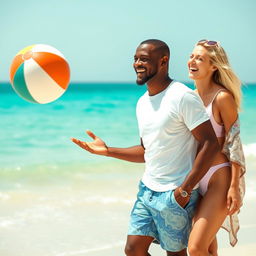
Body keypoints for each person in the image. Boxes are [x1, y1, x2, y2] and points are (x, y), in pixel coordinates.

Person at [71, 39, 220, 256]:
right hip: (147, 190)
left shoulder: (182, 96)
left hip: (175, 193)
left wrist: (185, 190)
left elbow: (210, 144)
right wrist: (108, 150)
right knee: (133, 250)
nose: (137, 64)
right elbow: (146, 151)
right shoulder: (142, 103)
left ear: (164, 61)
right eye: (135, 59)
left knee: (175, 254)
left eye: (144, 59)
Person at [187, 40, 246, 256]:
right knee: (209, 248)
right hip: (194, 179)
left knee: (195, 248)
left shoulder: (222, 98)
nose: (192, 61)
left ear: (214, 66)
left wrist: (234, 187)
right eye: (192, 56)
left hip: (218, 179)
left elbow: (234, 142)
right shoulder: (188, 97)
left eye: (200, 58)